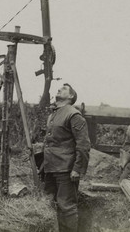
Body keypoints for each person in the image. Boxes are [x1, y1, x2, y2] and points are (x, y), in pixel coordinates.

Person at [42, 83, 91, 232]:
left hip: (66, 169)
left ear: (71, 97)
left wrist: (77, 168)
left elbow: (83, 144)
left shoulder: (73, 115)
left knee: (66, 207)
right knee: (50, 203)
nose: (59, 89)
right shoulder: (53, 114)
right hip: (50, 167)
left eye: (64, 89)